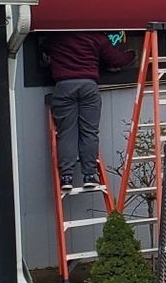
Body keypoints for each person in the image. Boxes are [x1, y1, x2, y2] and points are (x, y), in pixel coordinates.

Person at [43, 30, 136, 190]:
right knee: (89, 132)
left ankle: (66, 177)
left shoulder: (54, 36)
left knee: (66, 132)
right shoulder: (96, 36)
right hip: (88, 85)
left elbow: (44, 50)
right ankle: (90, 175)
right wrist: (132, 54)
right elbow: (116, 59)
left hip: (63, 86)